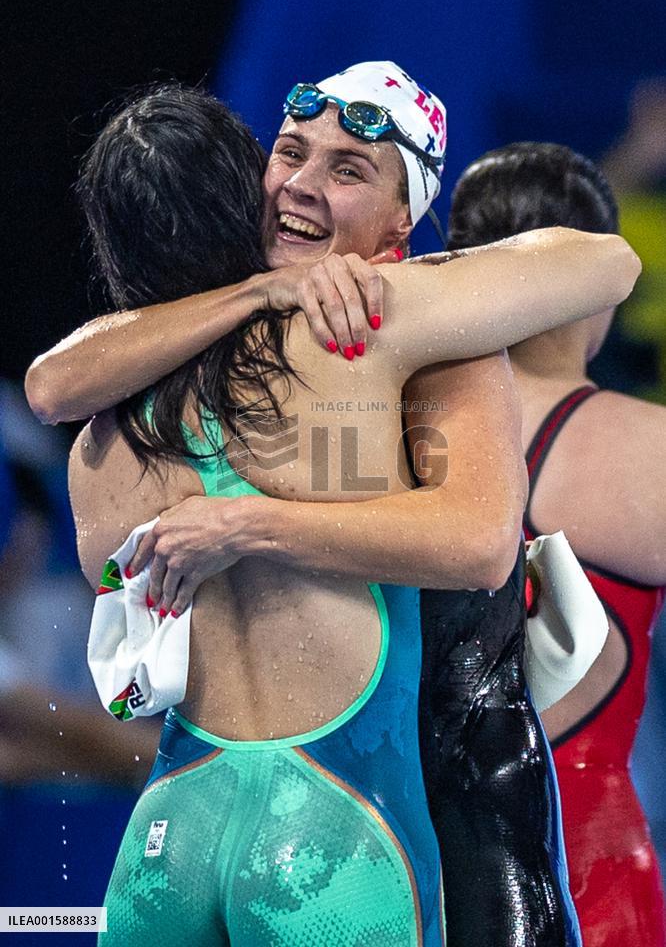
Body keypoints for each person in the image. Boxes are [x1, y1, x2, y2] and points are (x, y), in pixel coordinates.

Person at [31, 64, 638, 946]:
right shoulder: (272, 337)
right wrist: (255, 293)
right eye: (290, 154)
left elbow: (476, 544)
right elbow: (52, 380)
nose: (303, 187)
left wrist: (246, 524)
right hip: (352, 819)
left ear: (403, 220)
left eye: (349, 169)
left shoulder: (430, 329)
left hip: (356, 805)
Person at [447, 140, 666, 947]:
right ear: (602, 289)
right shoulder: (650, 452)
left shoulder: (389, 435)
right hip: (591, 872)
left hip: (418, 866)